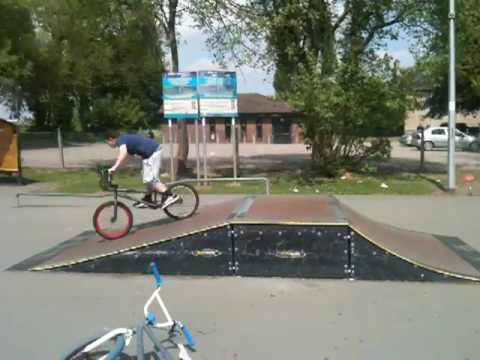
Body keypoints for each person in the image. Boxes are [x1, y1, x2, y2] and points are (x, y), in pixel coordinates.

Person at [106, 131, 178, 209]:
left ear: (111, 139)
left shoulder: (121, 139)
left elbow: (123, 153)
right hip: (148, 155)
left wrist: (114, 167)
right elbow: (127, 158)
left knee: (152, 180)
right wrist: (116, 169)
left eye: (108, 143)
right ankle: (148, 199)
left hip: (154, 152)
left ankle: (170, 196)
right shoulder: (125, 140)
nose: (108, 145)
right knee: (146, 179)